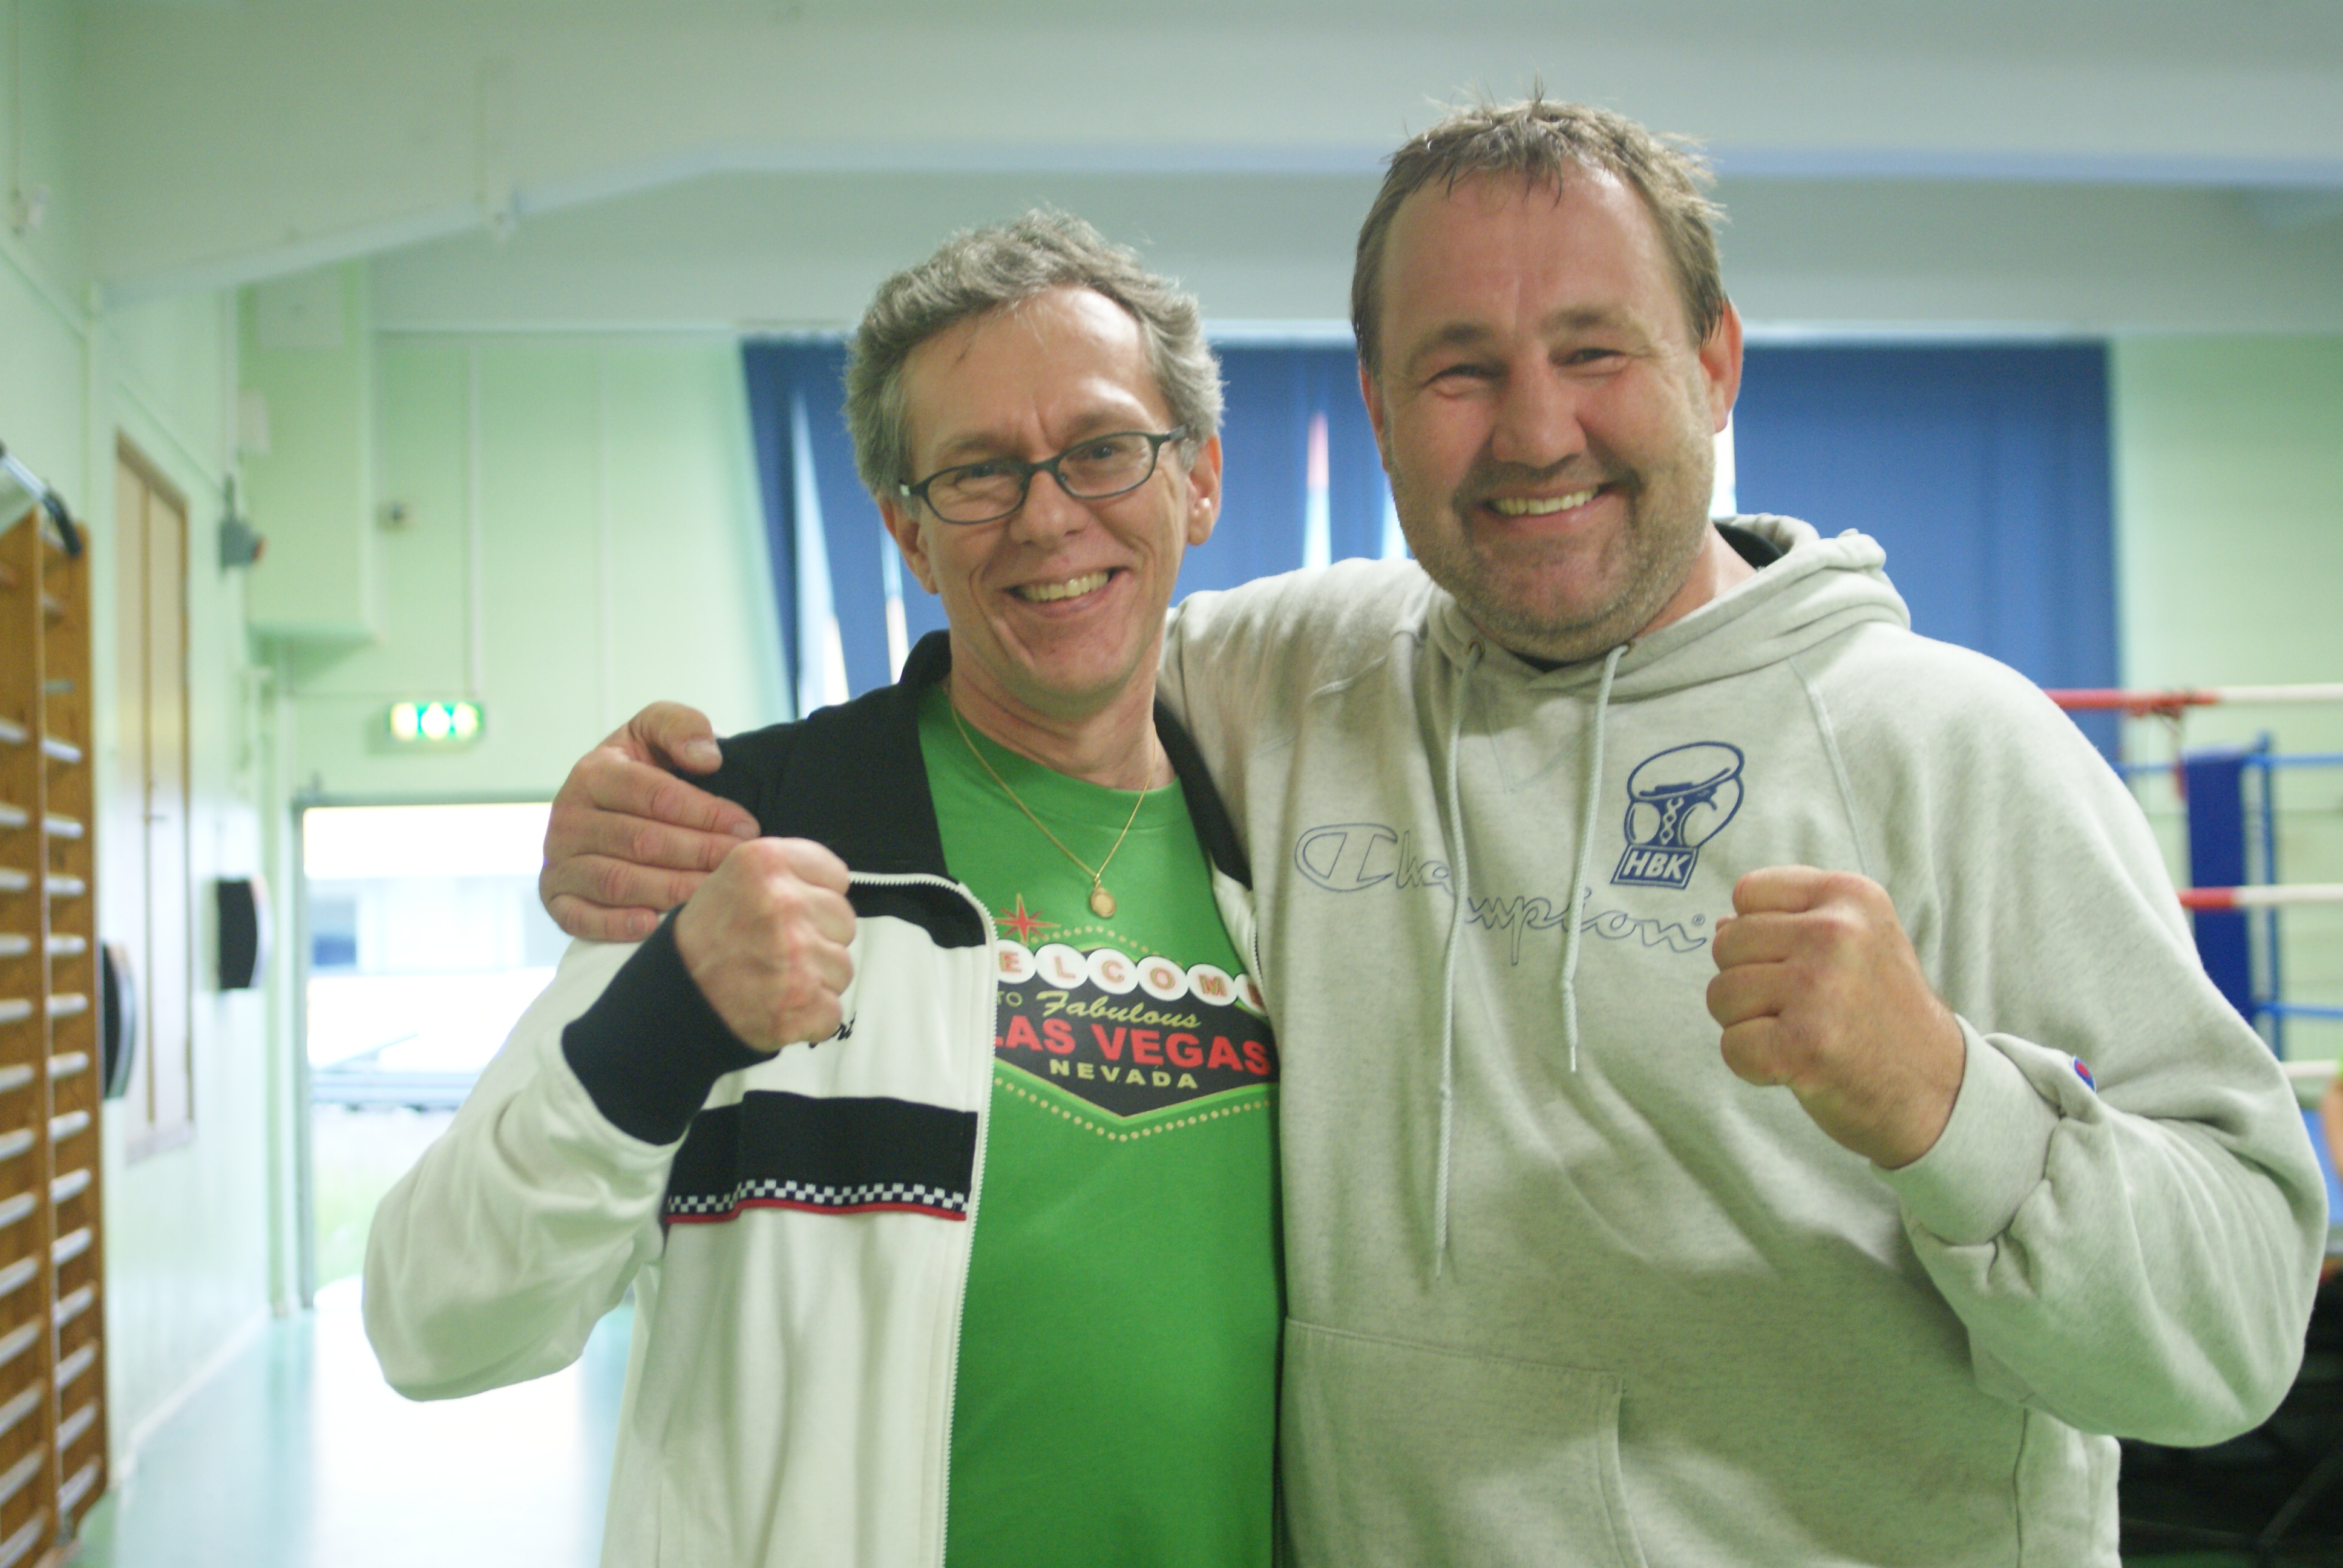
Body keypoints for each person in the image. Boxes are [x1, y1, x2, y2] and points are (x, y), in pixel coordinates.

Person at [538, 100, 2326, 1566]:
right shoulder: (1290, 678)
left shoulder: (1958, 751)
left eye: (1593, 351)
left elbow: (2235, 1338)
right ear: (1379, 409)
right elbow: (1032, 648)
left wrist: (1949, 1106)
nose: (1535, 432)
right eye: (1460, 370)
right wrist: (668, 805)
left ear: (1713, 362)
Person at [365, 212, 1286, 1568]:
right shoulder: (741, 832)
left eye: (1102, 448)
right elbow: (433, 1317)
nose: (1047, 516)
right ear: (909, 532)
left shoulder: (1286, 847)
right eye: (978, 472)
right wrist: (669, 1019)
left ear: (1197, 480)